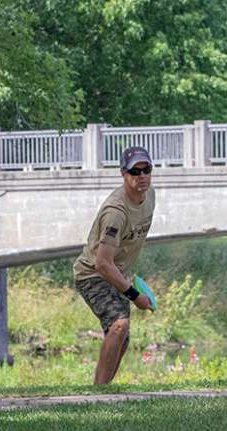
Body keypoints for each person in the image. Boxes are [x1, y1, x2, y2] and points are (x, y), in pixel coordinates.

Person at [74, 146, 156, 385]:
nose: (141, 177)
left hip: (116, 271)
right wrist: (135, 295)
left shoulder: (150, 195)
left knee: (122, 337)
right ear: (123, 174)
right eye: (135, 172)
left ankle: (104, 391)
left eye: (146, 170)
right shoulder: (115, 213)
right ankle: (98, 394)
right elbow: (102, 264)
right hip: (92, 273)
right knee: (119, 325)